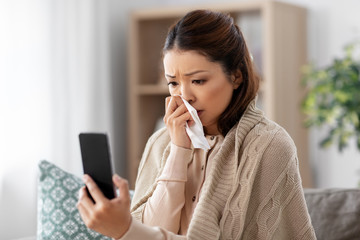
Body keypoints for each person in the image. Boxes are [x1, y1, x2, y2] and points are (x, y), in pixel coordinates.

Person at [77, 9, 316, 240]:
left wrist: (125, 230)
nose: (185, 95)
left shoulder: (270, 145)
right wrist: (178, 152)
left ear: (236, 76)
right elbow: (148, 230)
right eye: (173, 83)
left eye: (198, 80)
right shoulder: (160, 143)